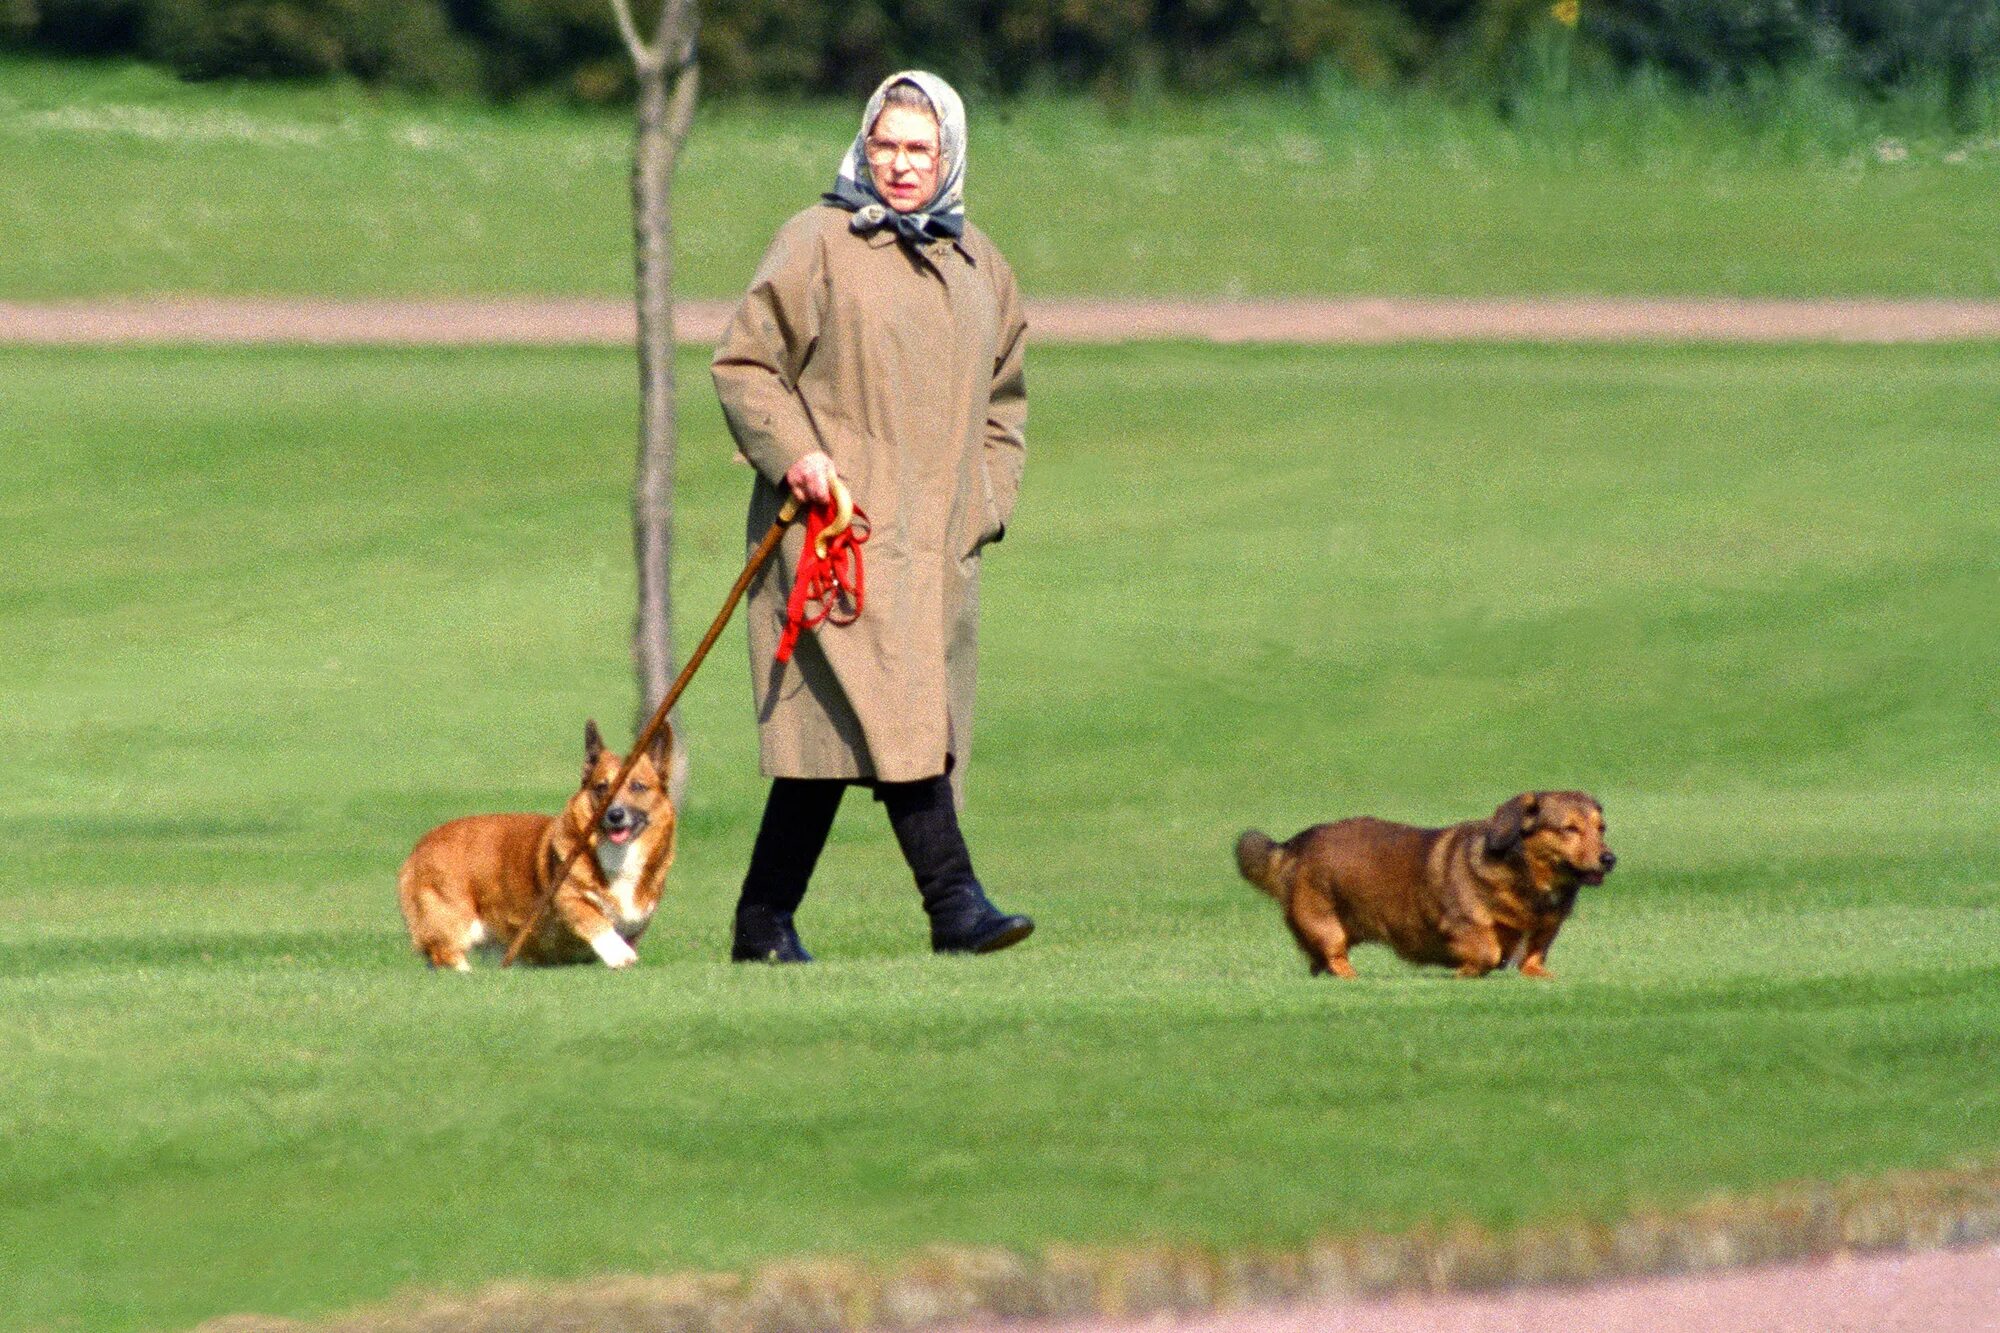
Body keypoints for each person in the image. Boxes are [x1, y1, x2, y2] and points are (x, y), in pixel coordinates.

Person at [711, 71, 1033, 963]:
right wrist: (796, 455)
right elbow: (745, 364)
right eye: (885, 144)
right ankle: (955, 907)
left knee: (837, 744)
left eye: (918, 149)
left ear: (949, 156)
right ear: (863, 144)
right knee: (901, 720)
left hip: (938, 551)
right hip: (831, 542)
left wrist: (987, 504)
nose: (899, 164)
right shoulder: (815, 241)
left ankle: (762, 922)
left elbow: (1006, 403)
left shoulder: (983, 267)